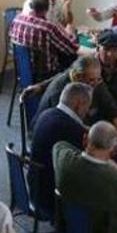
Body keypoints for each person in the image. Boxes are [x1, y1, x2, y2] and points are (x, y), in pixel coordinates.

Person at [28, 82, 92, 218]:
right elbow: (90, 160)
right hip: (52, 198)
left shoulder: (47, 114)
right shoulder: (70, 129)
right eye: (87, 106)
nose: (88, 111)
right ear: (79, 105)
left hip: (36, 187)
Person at [34, 55, 117, 141]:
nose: (96, 84)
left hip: (79, 129)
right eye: (91, 80)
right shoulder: (60, 91)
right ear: (77, 77)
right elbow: (71, 126)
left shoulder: (96, 82)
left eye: (99, 79)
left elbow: (112, 109)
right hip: (54, 139)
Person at [9, 0, 79, 80]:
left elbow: (12, 41)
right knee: (72, 58)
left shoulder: (17, 19)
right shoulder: (48, 28)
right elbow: (71, 48)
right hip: (46, 74)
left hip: (22, 68)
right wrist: (71, 34)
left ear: (30, 5)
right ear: (47, 8)